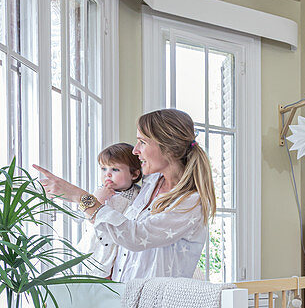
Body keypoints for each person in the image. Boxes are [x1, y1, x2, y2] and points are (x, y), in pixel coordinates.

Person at [34, 108, 216, 282]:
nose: (135, 150)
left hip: (156, 307)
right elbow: (120, 230)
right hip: (125, 294)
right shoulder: (152, 182)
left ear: (167, 148)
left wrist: (79, 196)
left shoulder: (192, 203)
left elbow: (135, 236)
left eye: (142, 142)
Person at [85, 142, 142, 275]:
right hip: (99, 249)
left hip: (121, 248)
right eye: (103, 169)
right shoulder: (100, 193)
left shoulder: (138, 196)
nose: (107, 174)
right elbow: (90, 219)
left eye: (115, 170)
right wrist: (98, 200)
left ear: (134, 174)